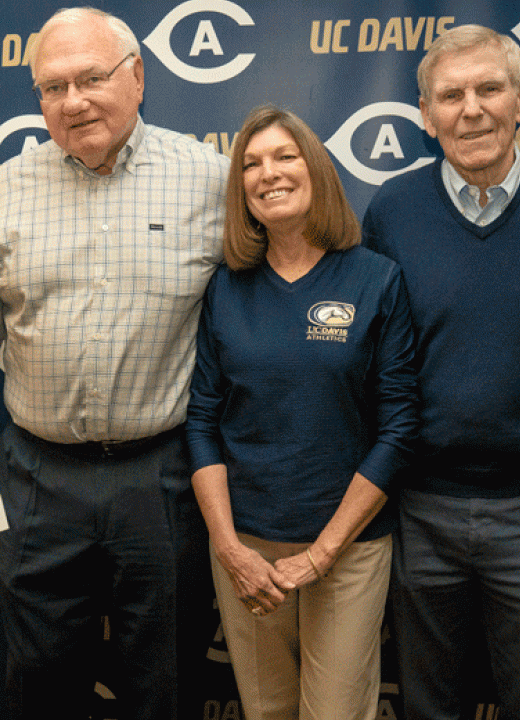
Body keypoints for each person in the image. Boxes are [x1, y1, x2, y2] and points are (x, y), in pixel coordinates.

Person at [0, 7, 227, 720]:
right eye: (53, 87)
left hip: (164, 478)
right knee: (39, 684)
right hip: (37, 479)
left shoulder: (211, 181)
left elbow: (268, 317)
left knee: (166, 684)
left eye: (91, 78)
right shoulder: (5, 189)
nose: (73, 102)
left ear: (137, 77)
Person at [361, 25, 520, 720]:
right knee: (427, 701)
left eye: (489, 89)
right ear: (425, 114)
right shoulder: (392, 212)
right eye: (451, 95)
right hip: (419, 506)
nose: (471, 109)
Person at [186, 105, 418, 720]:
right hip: (247, 553)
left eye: (285, 156)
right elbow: (202, 421)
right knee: (266, 711)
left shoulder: (376, 280)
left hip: (347, 549)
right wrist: (229, 548)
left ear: (315, 168)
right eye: (252, 163)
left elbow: (398, 428)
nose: (269, 173)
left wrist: (323, 552)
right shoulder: (225, 287)